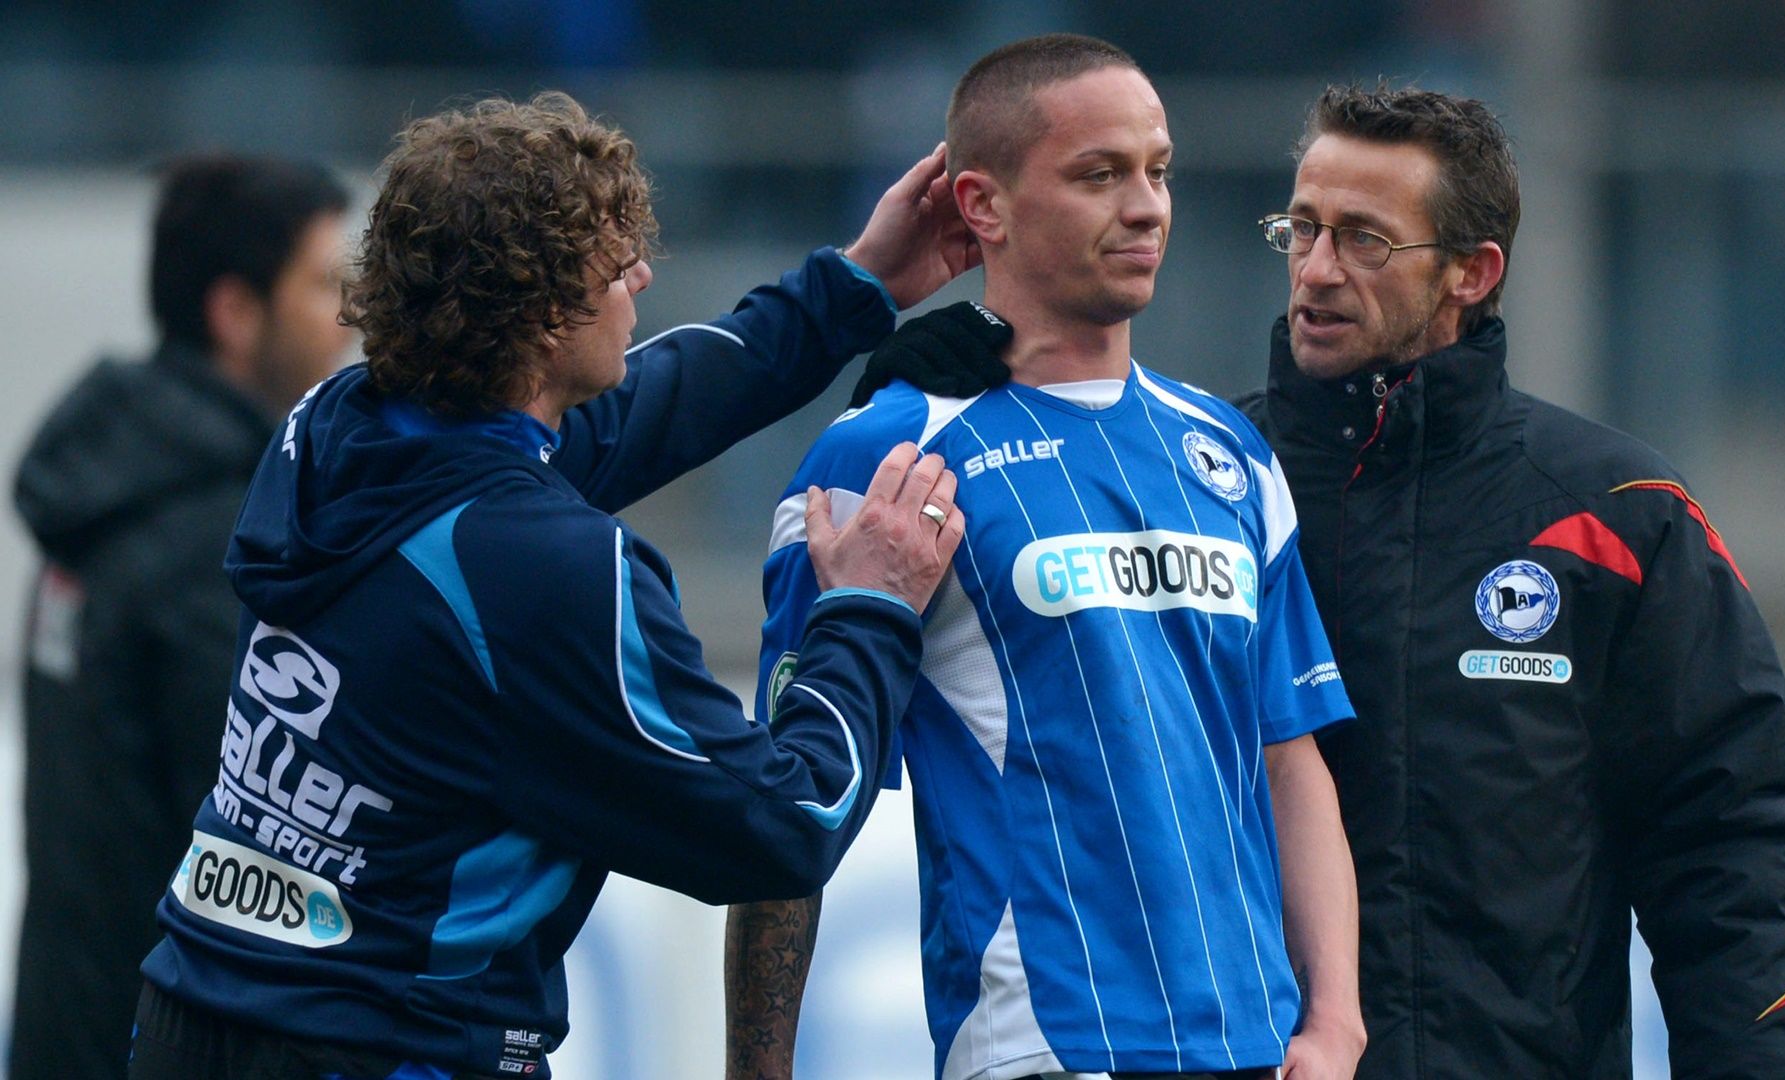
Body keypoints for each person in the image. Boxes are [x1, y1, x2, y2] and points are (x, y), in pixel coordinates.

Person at [874, 81, 1785, 1079]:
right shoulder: (1198, 484)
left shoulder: (1618, 514)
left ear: (1472, 272)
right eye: (1303, 228)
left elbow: (1729, 853)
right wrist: (928, 394)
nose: (1317, 270)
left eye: (1365, 240)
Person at [127, 90, 975, 1079]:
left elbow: (633, 414)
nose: (643, 281)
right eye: (618, 270)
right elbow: (785, 825)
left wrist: (857, 285)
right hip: (383, 1046)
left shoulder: (334, 429)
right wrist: (867, 610)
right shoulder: (545, 568)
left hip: (191, 1008)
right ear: (541, 315)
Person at [727, 35, 1364, 1080]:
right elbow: (783, 805)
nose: (1148, 206)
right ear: (983, 206)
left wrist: (1334, 1021)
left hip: (1256, 1051)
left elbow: (1289, 760)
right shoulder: (884, 457)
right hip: (1041, 1048)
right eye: (1099, 174)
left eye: (1159, 170)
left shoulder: (1230, 454)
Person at [11, 154, 352, 1080]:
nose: (349, 318)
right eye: (324, 284)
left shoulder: (101, 497)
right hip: (159, 1047)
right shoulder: (223, 542)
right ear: (235, 312)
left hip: (61, 1029)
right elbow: (269, 838)